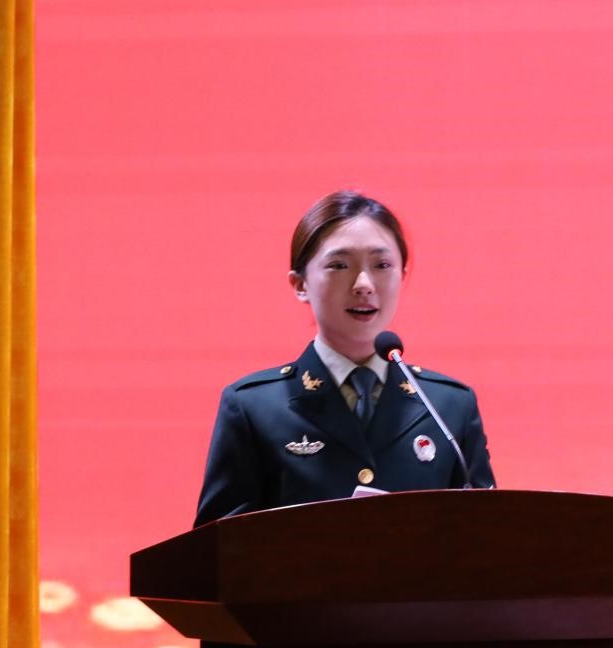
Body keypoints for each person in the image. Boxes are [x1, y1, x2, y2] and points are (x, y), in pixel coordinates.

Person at [193, 190, 495, 529]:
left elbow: (486, 536)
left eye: (382, 265)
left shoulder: (448, 406)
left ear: (402, 276)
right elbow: (215, 548)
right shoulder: (254, 408)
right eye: (339, 265)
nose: (363, 284)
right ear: (300, 284)